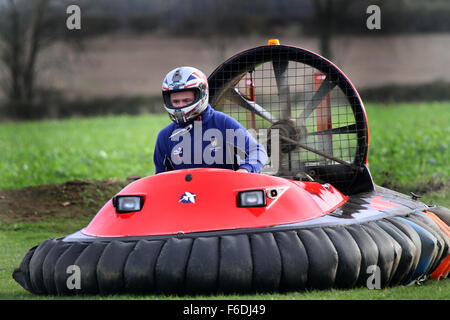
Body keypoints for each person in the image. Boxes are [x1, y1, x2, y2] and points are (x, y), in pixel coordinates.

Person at [153, 66, 268, 174]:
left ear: (202, 95)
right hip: (185, 194)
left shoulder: (222, 123)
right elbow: (160, 179)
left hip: (223, 191)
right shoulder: (165, 136)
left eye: (186, 100)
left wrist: (245, 170)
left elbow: (257, 151)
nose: (181, 106)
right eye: (176, 102)